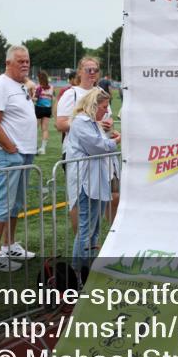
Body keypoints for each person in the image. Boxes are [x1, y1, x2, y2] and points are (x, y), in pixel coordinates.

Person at [0, 45, 38, 272]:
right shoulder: (0, 85)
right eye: (20, 61)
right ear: (8, 63)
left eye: (27, 61)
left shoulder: (20, 85)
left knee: (15, 203)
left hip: (23, 152)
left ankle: (9, 244)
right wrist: (11, 150)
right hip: (9, 153)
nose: (25, 64)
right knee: (3, 203)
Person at [57, 57, 117, 228]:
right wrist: (89, 125)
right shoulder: (71, 93)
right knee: (79, 200)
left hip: (102, 150)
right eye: (88, 69)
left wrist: (109, 123)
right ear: (80, 71)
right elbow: (60, 124)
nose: (92, 73)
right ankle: (83, 244)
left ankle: (109, 239)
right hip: (78, 154)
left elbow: (108, 117)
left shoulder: (100, 92)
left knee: (114, 195)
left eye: (95, 70)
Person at [64, 89, 120, 273]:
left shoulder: (91, 123)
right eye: (104, 107)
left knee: (92, 230)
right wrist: (114, 142)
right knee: (86, 230)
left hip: (95, 181)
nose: (106, 111)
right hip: (86, 182)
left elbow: (100, 144)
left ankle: (85, 269)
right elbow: (97, 147)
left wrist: (109, 139)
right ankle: (77, 271)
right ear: (94, 105)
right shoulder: (81, 122)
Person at [34, 71, 54, 155]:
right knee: (45, 129)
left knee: (35, 128)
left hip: (39, 108)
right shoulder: (51, 87)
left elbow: (35, 99)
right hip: (47, 109)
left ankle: (34, 146)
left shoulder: (38, 87)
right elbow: (52, 99)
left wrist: (30, 97)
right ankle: (43, 148)